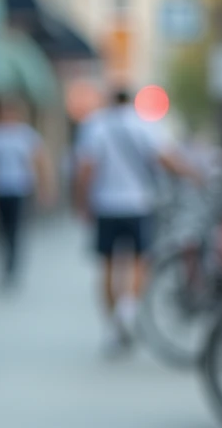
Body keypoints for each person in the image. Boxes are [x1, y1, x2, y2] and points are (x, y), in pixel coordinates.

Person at [73, 88, 196, 354]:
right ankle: (128, 309)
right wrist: (193, 175)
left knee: (108, 265)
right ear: (130, 101)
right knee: (140, 260)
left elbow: (85, 170)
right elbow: (165, 159)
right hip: (139, 204)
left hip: (105, 205)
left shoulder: (95, 126)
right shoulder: (144, 125)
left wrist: (82, 203)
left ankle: (112, 327)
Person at [0, 97, 54, 290]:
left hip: (20, 189)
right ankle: (5, 264)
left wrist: (45, 188)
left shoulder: (26, 135)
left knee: (16, 229)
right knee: (1, 230)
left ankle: (13, 266)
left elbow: (40, 162)